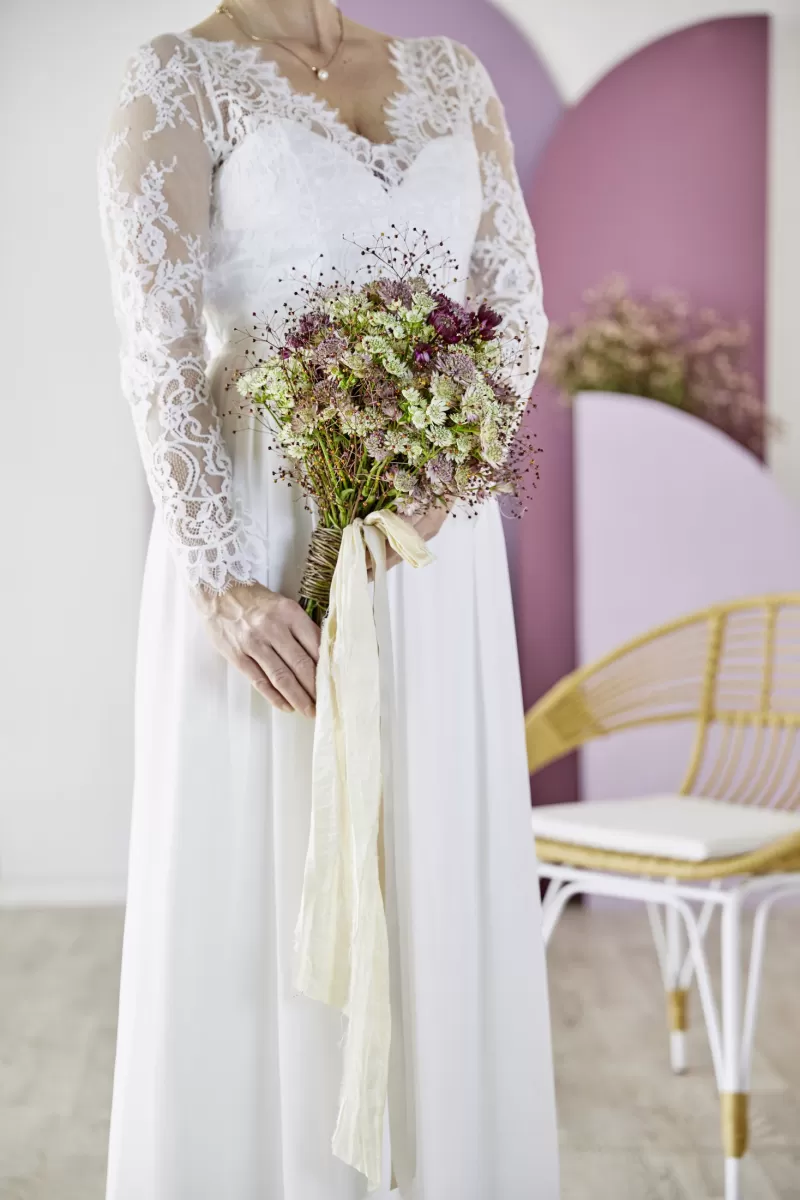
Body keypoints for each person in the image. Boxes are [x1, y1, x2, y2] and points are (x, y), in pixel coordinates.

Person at [97, 2, 559, 1196]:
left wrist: (443, 481)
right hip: (262, 537)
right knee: (271, 884)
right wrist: (222, 582)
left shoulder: (454, 77)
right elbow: (154, 348)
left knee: (431, 885)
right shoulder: (178, 76)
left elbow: (516, 314)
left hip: (429, 555)